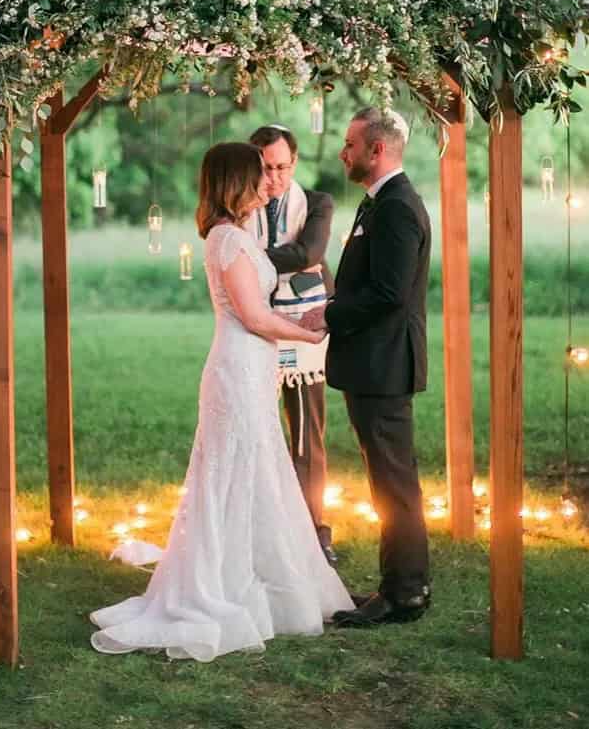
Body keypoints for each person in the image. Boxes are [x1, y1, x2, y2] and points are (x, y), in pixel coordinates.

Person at [90, 143, 353, 660]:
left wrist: (295, 325)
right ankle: (224, 582)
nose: (267, 184)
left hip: (254, 365)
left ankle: (261, 572)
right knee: (232, 471)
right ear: (236, 183)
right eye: (258, 176)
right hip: (237, 366)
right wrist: (305, 335)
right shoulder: (227, 239)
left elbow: (260, 312)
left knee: (259, 470)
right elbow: (253, 318)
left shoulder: (239, 236)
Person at [302, 107, 431, 628]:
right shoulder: (379, 203)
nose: (343, 152)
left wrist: (329, 312)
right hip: (371, 365)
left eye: (351, 144)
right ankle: (399, 585)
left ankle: (404, 593)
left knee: (394, 484)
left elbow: (388, 293)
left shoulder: (397, 207)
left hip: (384, 367)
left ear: (377, 150)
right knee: (389, 481)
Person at [246, 124, 337, 565]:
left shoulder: (317, 203)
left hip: (306, 327)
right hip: (251, 328)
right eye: (266, 168)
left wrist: (245, 255)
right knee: (255, 432)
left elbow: (309, 254)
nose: (275, 178)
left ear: (294, 163)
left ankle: (313, 531)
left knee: (306, 435)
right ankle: (264, 531)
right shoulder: (241, 204)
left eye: (283, 167)